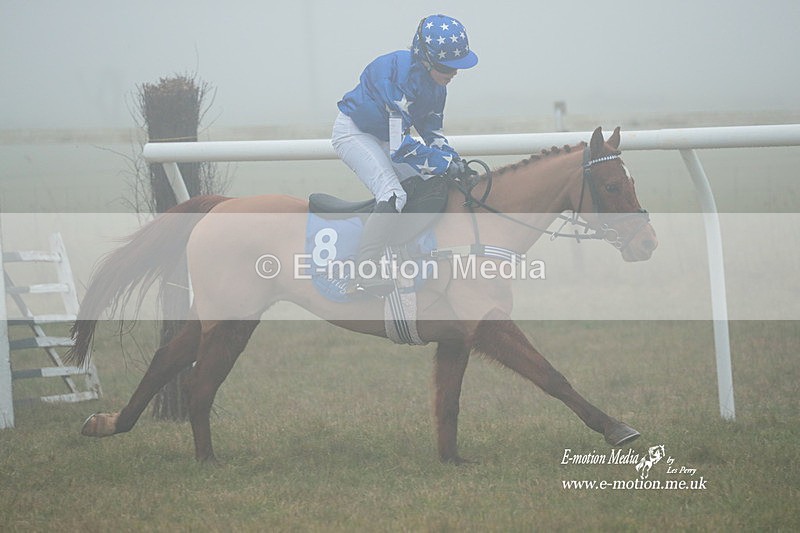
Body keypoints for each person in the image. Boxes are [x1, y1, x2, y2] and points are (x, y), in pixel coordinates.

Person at [332, 14, 478, 295]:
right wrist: (444, 163)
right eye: (447, 67)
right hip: (354, 132)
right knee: (393, 194)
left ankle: (407, 254)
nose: (454, 73)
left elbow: (432, 134)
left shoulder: (436, 87)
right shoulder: (398, 79)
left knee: (431, 184)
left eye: (456, 67)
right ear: (425, 59)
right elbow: (401, 148)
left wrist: (454, 160)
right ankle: (364, 273)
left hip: (386, 135)